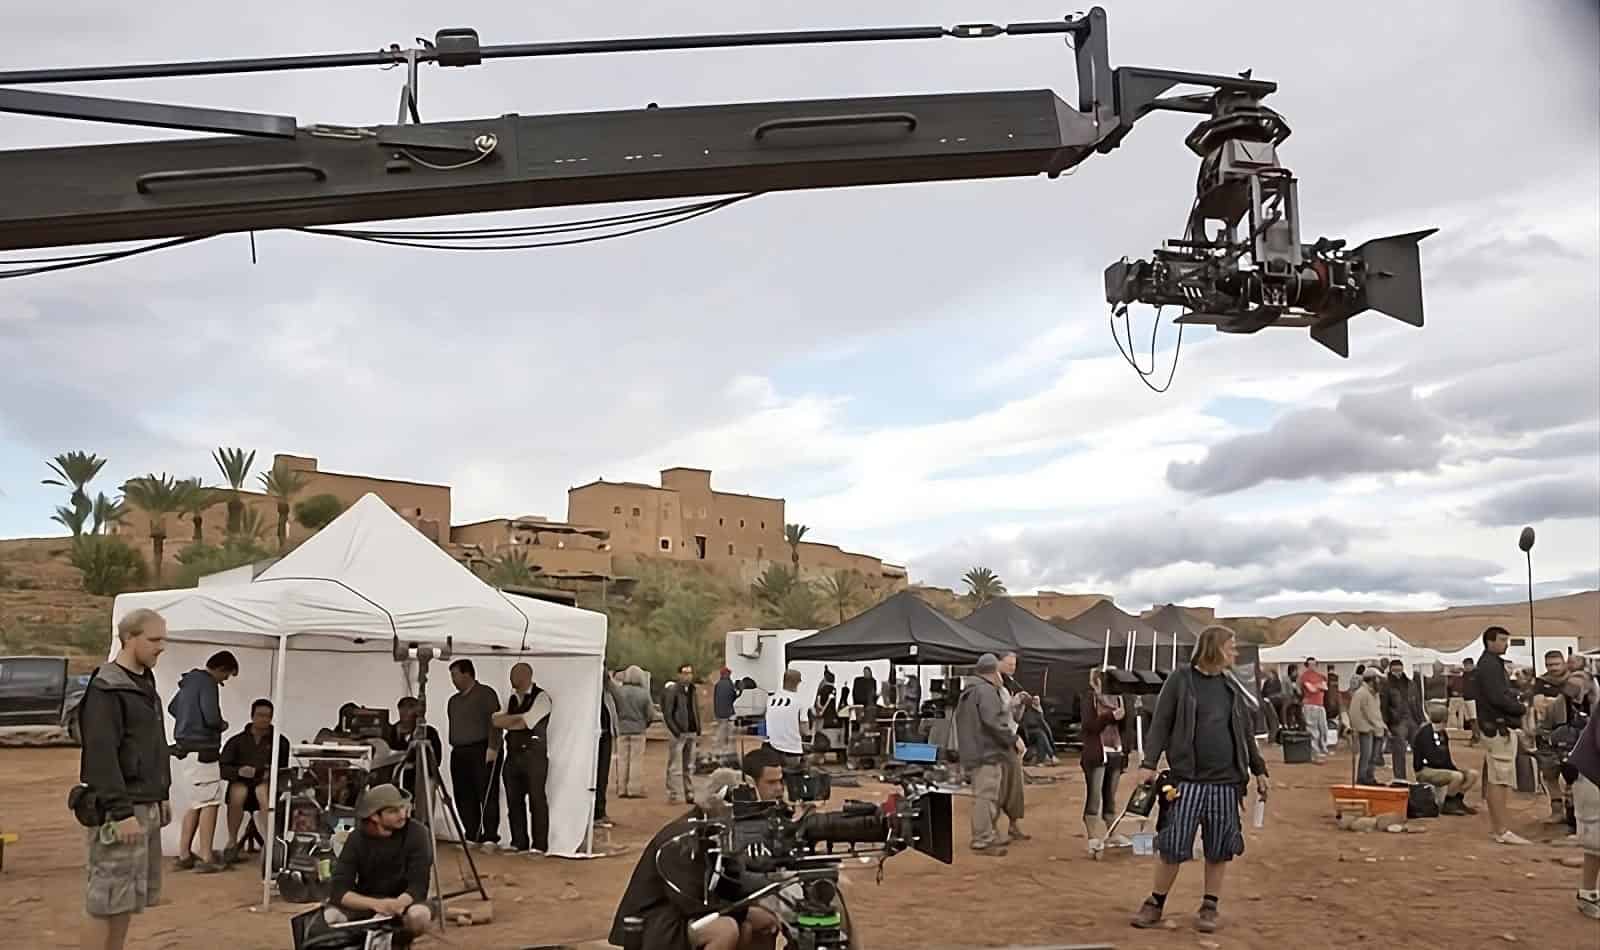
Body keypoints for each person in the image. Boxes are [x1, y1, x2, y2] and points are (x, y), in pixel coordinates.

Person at [1131, 626, 1269, 935]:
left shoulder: (1230, 686)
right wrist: (1148, 763)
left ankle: (1209, 905)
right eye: (1231, 647)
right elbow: (1161, 723)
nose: (1234, 653)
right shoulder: (1181, 680)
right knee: (1173, 844)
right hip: (1187, 780)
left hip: (1226, 783)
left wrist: (1259, 769)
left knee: (1219, 847)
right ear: (1215, 647)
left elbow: (1245, 733)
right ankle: (1155, 903)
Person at [77, 608, 172, 950]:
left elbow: (150, 746)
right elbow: (101, 757)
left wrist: (161, 793)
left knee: (125, 900)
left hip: (143, 804)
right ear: (130, 638)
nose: (162, 647)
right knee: (106, 900)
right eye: (155, 639)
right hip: (121, 810)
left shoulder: (143, 682)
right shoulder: (107, 687)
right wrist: (121, 812)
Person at [608, 767, 781, 950]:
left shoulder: (720, 830)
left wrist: (774, 880)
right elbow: (689, 901)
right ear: (716, 801)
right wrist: (741, 911)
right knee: (726, 929)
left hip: (689, 911)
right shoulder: (681, 838)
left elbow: (734, 879)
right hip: (659, 919)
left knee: (763, 923)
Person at [323, 784, 433, 938]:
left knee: (419, 916)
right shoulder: (356, 838)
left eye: (402, 808)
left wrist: (396, 905)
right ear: (375, 816)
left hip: (405, 902)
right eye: (393, 811)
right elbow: (339, 890)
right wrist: (377, 905)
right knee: (330, 917)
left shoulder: (417, 833)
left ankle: (397, 941)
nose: (403, 815)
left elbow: (419, 886)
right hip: (368, 901)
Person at [167, 649, 238, 872]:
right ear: (221, 669)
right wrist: (221, 724)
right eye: (226, 676)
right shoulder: (208, 683)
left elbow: (172, 708)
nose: (224, 680)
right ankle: (206, 856)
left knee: (195, 802)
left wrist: (188, 721)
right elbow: (211, 716)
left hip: (185, 749)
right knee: (209, 802)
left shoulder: (189, 682)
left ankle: (185, 853)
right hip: (203, 750)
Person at [1472, 626, 1531, 846]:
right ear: (1490, 641)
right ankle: (1501, 830)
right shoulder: (1489, 665)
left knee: (1499, 778)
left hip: (1497, 727)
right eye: (1503, 640)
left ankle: (1500, 828)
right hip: (1497, 728)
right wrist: (1520, 708)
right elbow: (1497, 697)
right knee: (1499, 779)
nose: (1506, 644)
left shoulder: (1492, 664)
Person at [955, 653, 1014, 857]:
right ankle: (982, 839)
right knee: (986, 796)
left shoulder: (970, 691)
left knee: (983, 795)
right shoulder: (986, 692)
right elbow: (993, 721)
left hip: (974, 750)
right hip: (987, 751)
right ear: (993, 671)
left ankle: (986, 834)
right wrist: (1012, 739)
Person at [219, 698, 290, 865]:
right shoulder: (236, 741)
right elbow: (223, 768)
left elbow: (283, 770)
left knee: (263, 792)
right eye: (260, 715)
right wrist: (238, 771)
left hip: (265, 784)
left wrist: (268, 774)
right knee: (237, 792)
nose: (264, 719)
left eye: (267, 716)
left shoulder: (280, 742)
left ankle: (270, 842)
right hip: (241, 782)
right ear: (252, 716)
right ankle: (232, 841)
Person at [491, 661, 552, 854]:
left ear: (526, 676)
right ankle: (519, 841)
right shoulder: (510, 698)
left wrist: (509, 720)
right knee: (513, 800)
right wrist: (512, 720)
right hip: (513, 755)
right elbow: (495, 720)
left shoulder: (541, 697)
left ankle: (539, 845)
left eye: (514, 675)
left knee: (536, 800)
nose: (511, 679)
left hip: (534, 756)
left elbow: (525, 723)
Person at [446, 659, 502, 848]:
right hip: (459, 751)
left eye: (455, 675)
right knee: (463, 794)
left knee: (485, 793)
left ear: (467, 674)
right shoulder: (453, 701)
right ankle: (471, 834)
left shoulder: (485, 694)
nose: (452, 680)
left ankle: (490, 836)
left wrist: (493, 747)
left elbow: (495, 722)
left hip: (482, 748)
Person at [1081, 667, 1128, 855]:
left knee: (1110, 797)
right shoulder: (1090, 698)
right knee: (1094, 796)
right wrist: (1110, 717)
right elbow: (1088, 726)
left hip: (1116, 751)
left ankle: (1112, 833)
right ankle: (1093, 837)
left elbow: (1126, 726)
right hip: (1096, 753)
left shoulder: (1120, 698)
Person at [1413, 702, 1478, 815]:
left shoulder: (1443, 733)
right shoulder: (1425, 733)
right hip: (1425, 770)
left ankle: (1457, 801)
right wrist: (1451, 771)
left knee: (1472, 774)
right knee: (1457, 776)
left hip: (1440, 768)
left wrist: (1453, 768)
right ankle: (1448, 805)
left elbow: (1446, 758)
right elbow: (1432, 758)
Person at [1534, 651, 1575, 824]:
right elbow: (1539, 706)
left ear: (1564, 663)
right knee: (1550, 774)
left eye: (1556, 664)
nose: (1553, 668)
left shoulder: (1574, 681)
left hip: (1571, 735)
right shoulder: (1541, 682)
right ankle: (1557, 811)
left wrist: (1552, 702)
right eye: (1549, 665)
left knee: (1572, 776)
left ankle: (1573, 813)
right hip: (1546, 734)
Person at [1566, 712, 1600, 919]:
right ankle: (1587, 894)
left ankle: (1588, 894)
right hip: (1592, 776)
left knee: (1596, 842)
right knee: (1596, 840)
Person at [995, 651, 1029, 842]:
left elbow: (1014, 718)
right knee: (1000, 786)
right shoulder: (991, 689)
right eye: (1009, 665)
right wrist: (1012, 704)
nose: (1012, 669)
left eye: (1014, 665)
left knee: (1015, 786)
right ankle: (993, 830)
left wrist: (1021, 705)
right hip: (998, 741)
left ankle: (1013, 825)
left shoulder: (1006, 688)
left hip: (1010, 739)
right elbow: (994, 716)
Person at [663, 663, 702, 805]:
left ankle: (689, 792)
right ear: (679, 675)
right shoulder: (673, 691)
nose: (688, 676)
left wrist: (698, 729)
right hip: (678, 733)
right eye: (685, 673)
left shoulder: (693, 690)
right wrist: (675, 730)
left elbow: (695, 710)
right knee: (674, 765)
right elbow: (668, 713)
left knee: (689, 765)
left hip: (691, 732)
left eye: (690, 673)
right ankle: (673, 793)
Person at [614, 665, 653, 799]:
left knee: (622, 759)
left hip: (622, 729)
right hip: (638, 730)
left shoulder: (619, 692)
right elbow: (650, 713)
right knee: (635, 760)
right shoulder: (643, 693)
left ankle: (621, 788)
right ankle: (634, 789)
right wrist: (645, 724)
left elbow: (615, 710)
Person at [1381, 659, 1420, 781]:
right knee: (1399, 751)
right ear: (1390, 670)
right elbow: (1383, 706)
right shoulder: (1386, 686)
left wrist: (1420, 719)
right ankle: (1400, 779)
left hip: (1412, 720)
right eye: (1394, 670)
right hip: (1397, 722)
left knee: (1420, 749)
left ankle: (1422, 776)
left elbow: (1418, 703)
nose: (1397, 673)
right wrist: (1386, 724)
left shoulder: (1411, 684)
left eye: (1399, 670)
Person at [763, 668, 809, 765]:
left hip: (771, 746)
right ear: (797, 683)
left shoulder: (770, 699)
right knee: (792, 777)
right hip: (791, 749)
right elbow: (804, 730)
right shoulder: (800, 701)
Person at [1350, 669, 1387, 785]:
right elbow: (1356, 712)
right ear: (1372, 680)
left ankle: (1370, 777)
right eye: (1377, 679)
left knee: (1373, 756)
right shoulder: (1361, 693)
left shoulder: (1374, 694)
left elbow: (1375, 712)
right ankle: (1362, 778)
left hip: (1376, 728)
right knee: (1366, 755)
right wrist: (1362, 727)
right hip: (1367, 729)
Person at [597, 671, 620, 828]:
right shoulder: (588, 696)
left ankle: (600, 811)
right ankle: (594, 813)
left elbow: (619, 695)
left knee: (603, 776)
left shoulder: (607, 695)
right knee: (594, 777)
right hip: (592, 739)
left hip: (606, 737)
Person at [1299, 658, 1330, 762]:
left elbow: (1325, 687)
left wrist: (1316, 686)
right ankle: (1315, 752)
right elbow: (1310, 689)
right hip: (1309, 705)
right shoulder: (1304, 676)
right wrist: (1318, 686)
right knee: (1313, 730)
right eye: (1310, 664)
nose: (1312, 666)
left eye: (1314, 664)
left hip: (1320, 705)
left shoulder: (1320, 676)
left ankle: (1323, 748)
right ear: (1306, 665)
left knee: (1323, 728)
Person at [1019, 693, 1056, 765]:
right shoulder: (1029, 711)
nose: (1037, 701)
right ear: (1032, 701)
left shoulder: (1040, 710)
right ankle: (1051, 756)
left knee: (1042, 737)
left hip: (1039, 732)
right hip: (1029, 733)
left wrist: (1049, 733)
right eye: (1035, 699)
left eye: (1038, 699)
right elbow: (1028, 724)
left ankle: (1041, 760)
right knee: (1041, 734)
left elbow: (1044, 725)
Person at [713, 668, 740, 759]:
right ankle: (728, 751)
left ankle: (718, 749)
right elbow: (733, 697)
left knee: (720, 730)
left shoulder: (717, 685)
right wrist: (739, 692)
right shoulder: (729, 684)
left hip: (719, 713)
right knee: (730, 733)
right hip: (728, 713)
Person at [1460, 656, 1480, 745]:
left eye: (1467, 665)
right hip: (1466, 699)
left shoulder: (1476, 674)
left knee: (1474, 719)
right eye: (1465, 665)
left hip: (1474, 699)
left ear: (1471, 665)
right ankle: (1474, 735)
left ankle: (1477, 736)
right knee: (1470, 720)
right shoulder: (1465, 674)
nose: (1466, 667)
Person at [1259, 670, 1284, 740]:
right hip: (1267, 703)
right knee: (1269, 721)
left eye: (1270, 674)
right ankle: (1271, 736)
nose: (1269, 675)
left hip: (1275, 703)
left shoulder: (1278, 683)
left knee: (1275, 720)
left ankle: (1274, 737)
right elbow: (1263, 692)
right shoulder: (1266, 682)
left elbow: (1280, 693)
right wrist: (1263, 698)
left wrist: (1271, 697)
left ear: (1274, 675)